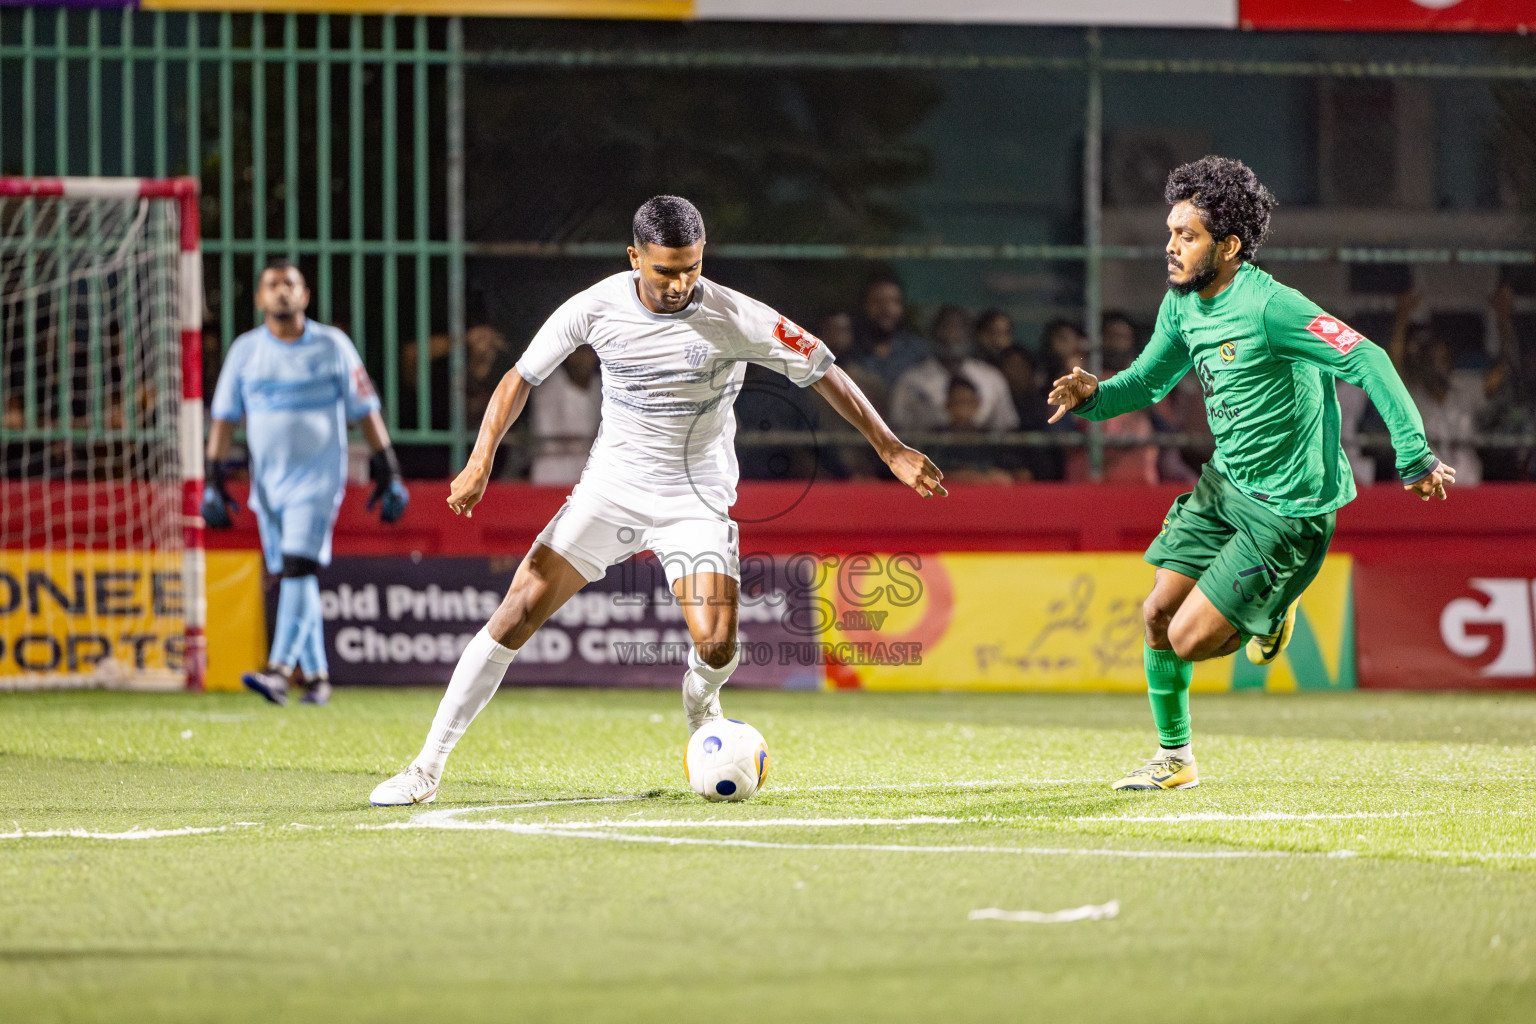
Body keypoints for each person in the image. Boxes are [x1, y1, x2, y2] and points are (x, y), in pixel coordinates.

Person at [368, 196, 945, 806]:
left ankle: (700, 696)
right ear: (634, 257)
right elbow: (519, 378)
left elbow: (823, 367)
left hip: (694, 502)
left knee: (718, 644)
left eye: (691, 267)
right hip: (610, 492)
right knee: (515, 612)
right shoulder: (595, 306)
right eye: (665, 269)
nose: (680, 283)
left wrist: (890, 448)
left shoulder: (738, 315)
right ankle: (425, 769)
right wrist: (481, 459)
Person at [1047, 157, 1452, 792]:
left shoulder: (1273, 308)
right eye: (1171, 232)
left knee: (1185, 640)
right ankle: (1175, 761)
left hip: (1287, 509)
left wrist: (1414, 454)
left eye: (1188, 236)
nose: (1171, 248)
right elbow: (1149, 381)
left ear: (1229, 246)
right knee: (1155, 613)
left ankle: (1276, 602)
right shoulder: (1182, 306)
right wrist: (1094, 396)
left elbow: (1368, 356)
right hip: (1225, 486)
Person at [204, 258, 410, 707]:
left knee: (298, 567)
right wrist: (213, 480)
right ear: (260, 297)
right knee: (297, 576)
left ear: (304, 295)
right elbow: (222, 418)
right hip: (268, 486)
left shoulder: (333, 345)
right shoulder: (245, 350)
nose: (282, 291)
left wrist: (387, 467)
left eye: (290, 283)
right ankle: (317, 676)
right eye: (273, 284)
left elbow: (365, 409)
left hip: (317, 482)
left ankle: (279, 670)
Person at [889, 305, 1018, 434]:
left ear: (970, 333)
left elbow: (1007, 426)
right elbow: (898, 426)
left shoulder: (992, 378)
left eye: (959, 327)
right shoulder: (911, 381)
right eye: (946, 326)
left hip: (983, 452)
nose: (952, 333)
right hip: (926, 451)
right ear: (933, 332)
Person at [527, 343, 602, 485]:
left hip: (587, 472)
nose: (584, 358)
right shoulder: (548, 385)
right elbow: (547, 433)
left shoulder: (599, 386)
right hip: (552, 472)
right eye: (579, 352)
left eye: (589, 352)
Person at [851, 273, 931, 392]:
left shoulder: (918, 351)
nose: (887, 308)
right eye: (879, 301)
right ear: (865, 305)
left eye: (894, 301)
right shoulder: (852, 351)